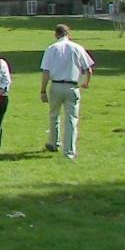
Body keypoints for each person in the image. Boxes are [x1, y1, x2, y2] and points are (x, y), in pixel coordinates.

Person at [39, 24, 95, 160]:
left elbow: (46, 71)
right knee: (71, 119)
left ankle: (54, 142)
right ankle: (69, 151)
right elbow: (88, 68)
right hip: (72, 86)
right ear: (68, 34)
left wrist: (43, 90)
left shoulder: (51, 49)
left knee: (54, 115)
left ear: (56, 34)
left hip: (56, 85)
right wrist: (87, 82)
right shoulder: (77, 48)